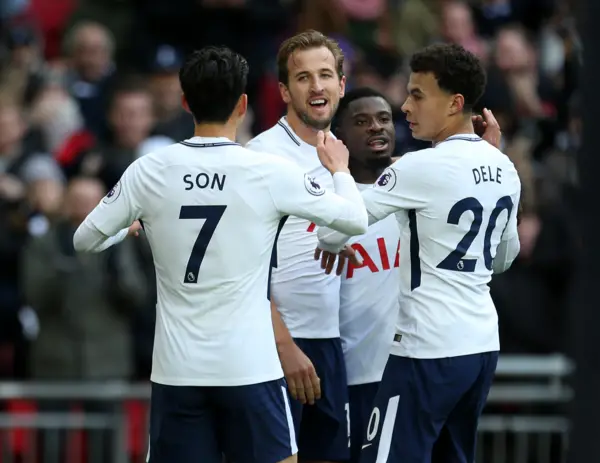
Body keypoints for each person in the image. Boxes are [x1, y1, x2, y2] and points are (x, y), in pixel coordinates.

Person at [72, 45, 369, 463]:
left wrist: (128, 226)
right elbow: (354, 220)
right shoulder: (265, 170)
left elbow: (84, 239)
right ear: (243, 104)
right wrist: (339, 169)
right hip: (250, 367)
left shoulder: (150, 170)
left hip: (178, 371)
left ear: (185, 102)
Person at [316, 43, 521, 463]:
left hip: (425, 349)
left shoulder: (417, 167)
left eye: (418, 95)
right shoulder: (504, 165)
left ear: (455, 103)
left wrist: (339, 172)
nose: (406, 106)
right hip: (481, 347)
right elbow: (503, 258)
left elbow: (332, 232)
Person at [246, 30, 351, 463]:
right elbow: (241, 268)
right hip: (276, 347)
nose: (317, 86)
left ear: (342, 86)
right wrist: (283, 344)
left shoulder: (343, 156)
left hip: (331, 342)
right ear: (285, 91)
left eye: (326, 75)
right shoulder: (259, 158)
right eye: (303, 77)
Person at [330, 87, 400, 463]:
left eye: (384, 118)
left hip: (409, 370)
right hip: (353, 376)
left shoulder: (414, 189)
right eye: (362, 121)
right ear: (339, 136)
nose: (376, 127)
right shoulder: (326, 202)